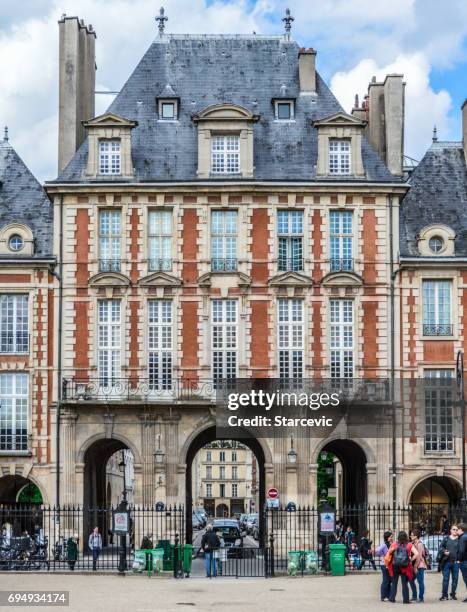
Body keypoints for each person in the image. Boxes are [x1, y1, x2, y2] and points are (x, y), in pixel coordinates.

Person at [386, 530, 419, 604]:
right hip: (405, 567)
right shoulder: (409, 545)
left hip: (395, 566)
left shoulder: (394, 544)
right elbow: (417, 553)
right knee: (404, 584)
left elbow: (389, 553)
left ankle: (392, 598)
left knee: (394, 583)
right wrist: (410, 559)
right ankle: (406, 600)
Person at [437, 524, 459, 601]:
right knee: (446, 579)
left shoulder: (459, 539)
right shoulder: (446, 539)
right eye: (454, 529)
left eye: (456, 530)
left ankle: (453, 595)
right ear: (450, 530)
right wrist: (444, 551)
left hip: (456, 563)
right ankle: (444, 595)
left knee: (455, 579)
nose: (455, 531)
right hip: (446, 562)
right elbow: (440, 548)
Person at [409, 528, 428, 603]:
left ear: (416, 536)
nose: (410, 536)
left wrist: (415, 567)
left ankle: (421, 598)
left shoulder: (420, 544)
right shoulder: (413, 543)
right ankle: (414, 596)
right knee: (411, 580)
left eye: (412, 535)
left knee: (420, 581)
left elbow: (419, 556)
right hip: (414, 565)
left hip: (419, 565)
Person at [376, 530, 393, 602]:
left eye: (392, 537)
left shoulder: (390, 544)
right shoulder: (384, 545)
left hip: (389, 564)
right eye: (390, 537)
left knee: (389, 581)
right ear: (387, 537)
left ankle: (388, 595)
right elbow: (377, 551)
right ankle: (383, 596)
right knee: (386, 580)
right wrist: (383, 555)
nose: (391, 538)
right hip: (384, 564)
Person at [457, 523, 467, 603]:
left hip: (464, 562)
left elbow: (462, 551)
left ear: (461, 529)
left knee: (466, 579)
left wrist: (459, 560)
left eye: (457, 529)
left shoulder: (462, 538)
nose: (456, 531)